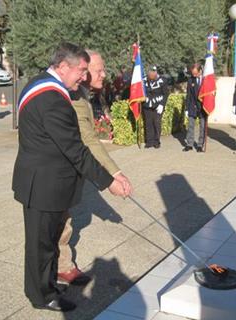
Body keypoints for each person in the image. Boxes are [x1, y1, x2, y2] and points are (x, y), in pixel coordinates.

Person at [11, 43, 130, 312]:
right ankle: (41, 296)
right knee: (41, 245)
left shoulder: (41, 82)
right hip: (43, 185)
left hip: (46, 181)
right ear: (63, 66)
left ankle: (49, 284)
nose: (83, 77)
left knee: (48, 242)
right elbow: (76, 149)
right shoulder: (52, 99)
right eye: (81, 70)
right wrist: (108, 181)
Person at [58, 50, 131, 286]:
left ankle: (59, 264)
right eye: (99, 70)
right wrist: (114, 175)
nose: (104, 74)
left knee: (63, 218)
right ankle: (60, 267)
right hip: (57, 172)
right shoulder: (75, 99)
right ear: (84, 73)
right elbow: (88, 140)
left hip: (69, 168)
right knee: (59, 221)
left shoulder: (82, 93)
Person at [143, 65, 168, 149]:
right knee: (148, 123)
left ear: (155, 73)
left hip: (158, 105)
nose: (151, 78)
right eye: (149, 76)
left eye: (152, 77)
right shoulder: (144, 80)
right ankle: (149, 141)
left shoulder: (163, 81)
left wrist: (162, 105)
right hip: (147, 105)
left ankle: (156, 141)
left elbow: (166, 94)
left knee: (156, 123)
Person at [184, 63, 206, 152]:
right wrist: (186, 108)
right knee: (190, 126)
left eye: (195, 73)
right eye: (193, 73)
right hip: (192, 106)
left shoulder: (206, 80)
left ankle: (200, 145)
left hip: (203, 107)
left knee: (202, 126)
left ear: (200, 71)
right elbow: (188, 95)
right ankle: (189, 144)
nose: (194, 75)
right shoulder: (190, 80)